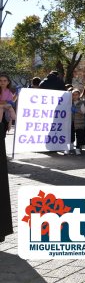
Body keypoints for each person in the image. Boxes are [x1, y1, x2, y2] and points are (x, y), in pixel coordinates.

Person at [0, 74, 14, 242]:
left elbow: (10, 107)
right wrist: (7, 106)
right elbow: (7, 105)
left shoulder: (9, 92)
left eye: (4, 80)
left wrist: (8, 109)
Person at [69, 89, 85, 155]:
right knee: (71, 135)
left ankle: (78, 148)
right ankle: (71, 146)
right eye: (73, 95)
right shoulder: (70, 102)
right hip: (72, 121)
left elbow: (83, 112)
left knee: (79, 136)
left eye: (76, 94)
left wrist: (76, 110)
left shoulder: (82, 103)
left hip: (79, 122)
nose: (74, 96)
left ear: (79, 95)